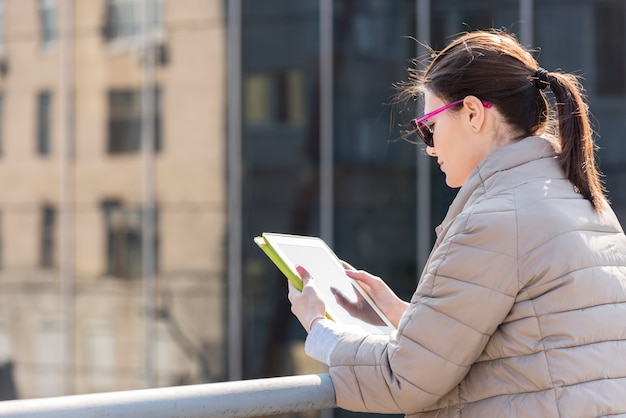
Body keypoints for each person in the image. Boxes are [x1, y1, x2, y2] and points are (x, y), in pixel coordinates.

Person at [287, 29, 626, 417]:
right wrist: (405, 318)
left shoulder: (494, 222)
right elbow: (534, 341)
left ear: (472, 113)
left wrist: (318, 327)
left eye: (429, 124)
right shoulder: (583, 203)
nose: (429, 145)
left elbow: (404, 382)